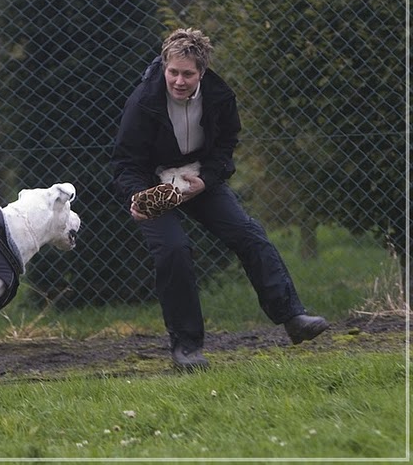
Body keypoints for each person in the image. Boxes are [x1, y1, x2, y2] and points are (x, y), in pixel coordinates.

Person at [111, 28, 329, 370]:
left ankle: (294, 318)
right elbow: (125, 162)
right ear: (165, 66)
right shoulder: (143, 102)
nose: (179, 81)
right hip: (153, 186)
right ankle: (186, 349)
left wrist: (206, 179)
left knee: (248, 234)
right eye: (173, 72)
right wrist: (139, 197)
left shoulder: (219, 97)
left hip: (199, 179)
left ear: (202, 72)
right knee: (174, 250)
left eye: (188, 74)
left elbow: (227, 145)